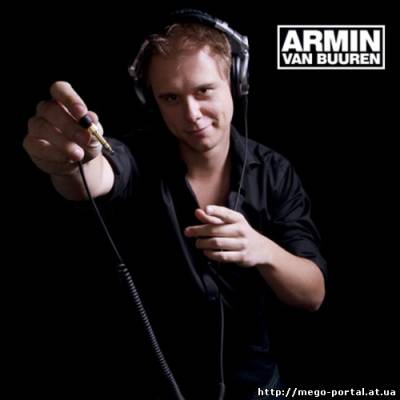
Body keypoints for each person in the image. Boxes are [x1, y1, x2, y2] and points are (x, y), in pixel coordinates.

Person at [23, 10, 326, 400]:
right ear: (152, 100)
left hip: (257, 384)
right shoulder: (138, 156)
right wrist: (72, 160)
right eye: (171, 98)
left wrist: (261, 249)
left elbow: (312, 294)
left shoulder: (275, 172)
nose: (191, 114)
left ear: (236, 83)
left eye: (204, 91)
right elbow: (97, 174)